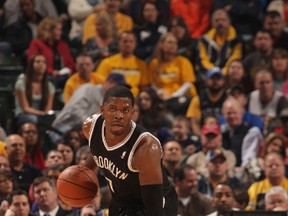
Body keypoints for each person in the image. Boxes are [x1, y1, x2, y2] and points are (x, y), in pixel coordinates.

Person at [81, 86, 178, 215]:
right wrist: (82, 173)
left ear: (133, 113)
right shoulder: (90, 128)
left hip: (153, 204)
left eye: (125, 110)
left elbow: (153, 203)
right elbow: (99, 151)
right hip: (121, 201)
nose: (118, 115)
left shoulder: (146, 148)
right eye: (112, 109)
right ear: (102, 111)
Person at [51, 73, 131, 139]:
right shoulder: (89, 88)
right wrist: (90, 126)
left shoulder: (107, 101)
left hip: (81, 133)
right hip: (63, 127)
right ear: (109, 82)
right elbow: (75, 109)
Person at [95, 31, 149, 96]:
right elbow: (100, 83)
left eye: (131, 42)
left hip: (134, 99)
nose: (128, 44)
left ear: (135, 44)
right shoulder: (107, 62)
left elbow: (144, 87)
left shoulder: (141, 65)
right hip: (112, 97)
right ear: (119, 43)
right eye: (125, 41)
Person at [14, 54, 55, 125]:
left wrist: (44, 115)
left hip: (41, 116)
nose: (41, 64)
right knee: (34, 119)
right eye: (38, 62)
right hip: (23, 114)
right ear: (31, 65)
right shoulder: (21, 83)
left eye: (44, 62)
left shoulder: (50, 86)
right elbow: (25, 108)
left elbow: (48, 108)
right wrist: (42, 114)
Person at [198, 9, 242, 75]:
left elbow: (234, 58)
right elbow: (203, 59)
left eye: (223, 20)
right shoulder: (204, 40)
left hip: (229, 74)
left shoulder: (236, 40)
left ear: (229, 21)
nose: (220, 23)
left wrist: (222, 73)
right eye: (217, 20)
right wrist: (214, 72)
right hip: (210, 74)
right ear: (212, 23)